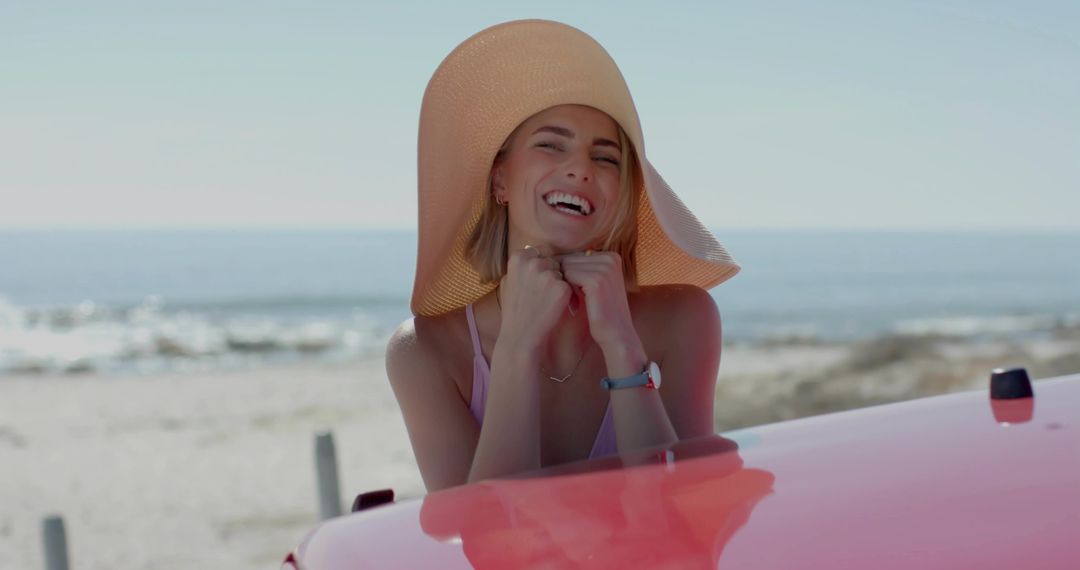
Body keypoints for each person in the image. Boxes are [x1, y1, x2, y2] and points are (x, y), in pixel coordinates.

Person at [387, 19, 740, 492]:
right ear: (500, 180)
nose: (579, 168)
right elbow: (487, 543)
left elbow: (676, 512)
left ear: (622, 193)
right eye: (551, 145)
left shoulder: (685, 318)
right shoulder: (425, 352)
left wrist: (622, 345)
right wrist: (517, 348)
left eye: (606, 157)